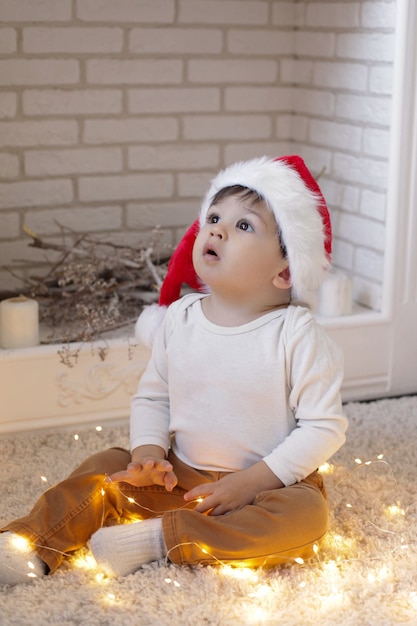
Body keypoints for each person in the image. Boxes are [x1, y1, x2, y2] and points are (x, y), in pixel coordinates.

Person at [0, 155, 347, 585]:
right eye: (214, 217)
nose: (217, 228)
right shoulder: (180, 319)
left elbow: (323, 427)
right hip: (178, 480)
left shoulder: (297, 334)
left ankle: (159, 539)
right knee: (104, 466)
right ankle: (30, 543)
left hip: (264, 489)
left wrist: (250, 483)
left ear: (285, 270)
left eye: (244, 225)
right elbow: (154, 396)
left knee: (307, 516)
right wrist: (149, 455)